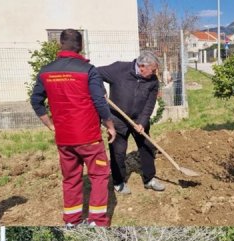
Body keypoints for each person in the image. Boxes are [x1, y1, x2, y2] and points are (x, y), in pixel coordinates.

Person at [30, 29, 116, 227]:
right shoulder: (88, 70)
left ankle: (71, 220)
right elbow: (99, 100)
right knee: (99, 176)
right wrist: (110, 125)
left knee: (71, 179)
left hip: (64, 139)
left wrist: (49, 124)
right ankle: (97, 220)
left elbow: (36, 100)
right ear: (81, 45)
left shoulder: (46, 71)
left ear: (60, 44)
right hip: (89, 138)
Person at [97, 51, 164, 194]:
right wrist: (101, 92)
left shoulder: (152, 80)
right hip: (117, 119)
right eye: (153, 70)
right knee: (118, 152)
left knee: (147, 147)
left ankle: (149, 179)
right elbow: (95, 73)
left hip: (139, 119)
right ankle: (119, 181)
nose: (154, 73)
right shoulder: (119, 69)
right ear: (141, 67)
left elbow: (150, 103)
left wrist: (142, 122)